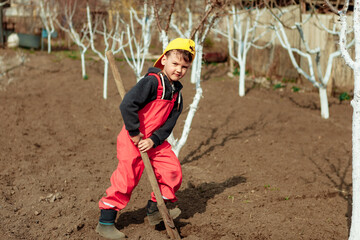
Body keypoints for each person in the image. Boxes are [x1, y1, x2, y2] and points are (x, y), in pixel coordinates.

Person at [96, 38, 196, 239]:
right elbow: (127, 105)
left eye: (184, 66)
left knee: (172, 170)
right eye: (175, 63)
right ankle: (105, 222)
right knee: (126, 179)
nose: (179, 70)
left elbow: (169, 124)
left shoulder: (177, 95)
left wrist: (154, 140)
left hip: (154, 141)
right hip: (133, 138)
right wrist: (134, 133)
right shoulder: (152, 82)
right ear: (164, 59)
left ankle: (155, 210)